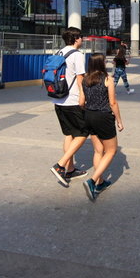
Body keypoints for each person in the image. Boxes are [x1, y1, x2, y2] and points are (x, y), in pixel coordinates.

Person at [80, 53, 124, 201]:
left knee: (98, 151)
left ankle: (100, 182)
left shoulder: (85, 79)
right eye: (105, 61)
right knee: (111, 150)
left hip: (89, 116)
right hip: (103, 117)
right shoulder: (107, 79)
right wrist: (119, 120)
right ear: (101, 63)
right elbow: (112, 102)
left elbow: (82, 102)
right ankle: (92, 181)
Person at [50, 27, 88, 187]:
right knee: (82, 133)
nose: (82, 40)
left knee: (69, 134)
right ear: (76, 39)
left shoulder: (60, 52)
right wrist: (83, 97)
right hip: (72, 100)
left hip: (58, 100)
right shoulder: (77, 55)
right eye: (81, 37)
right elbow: (80, 79)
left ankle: (70, 169)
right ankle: (60, 165)